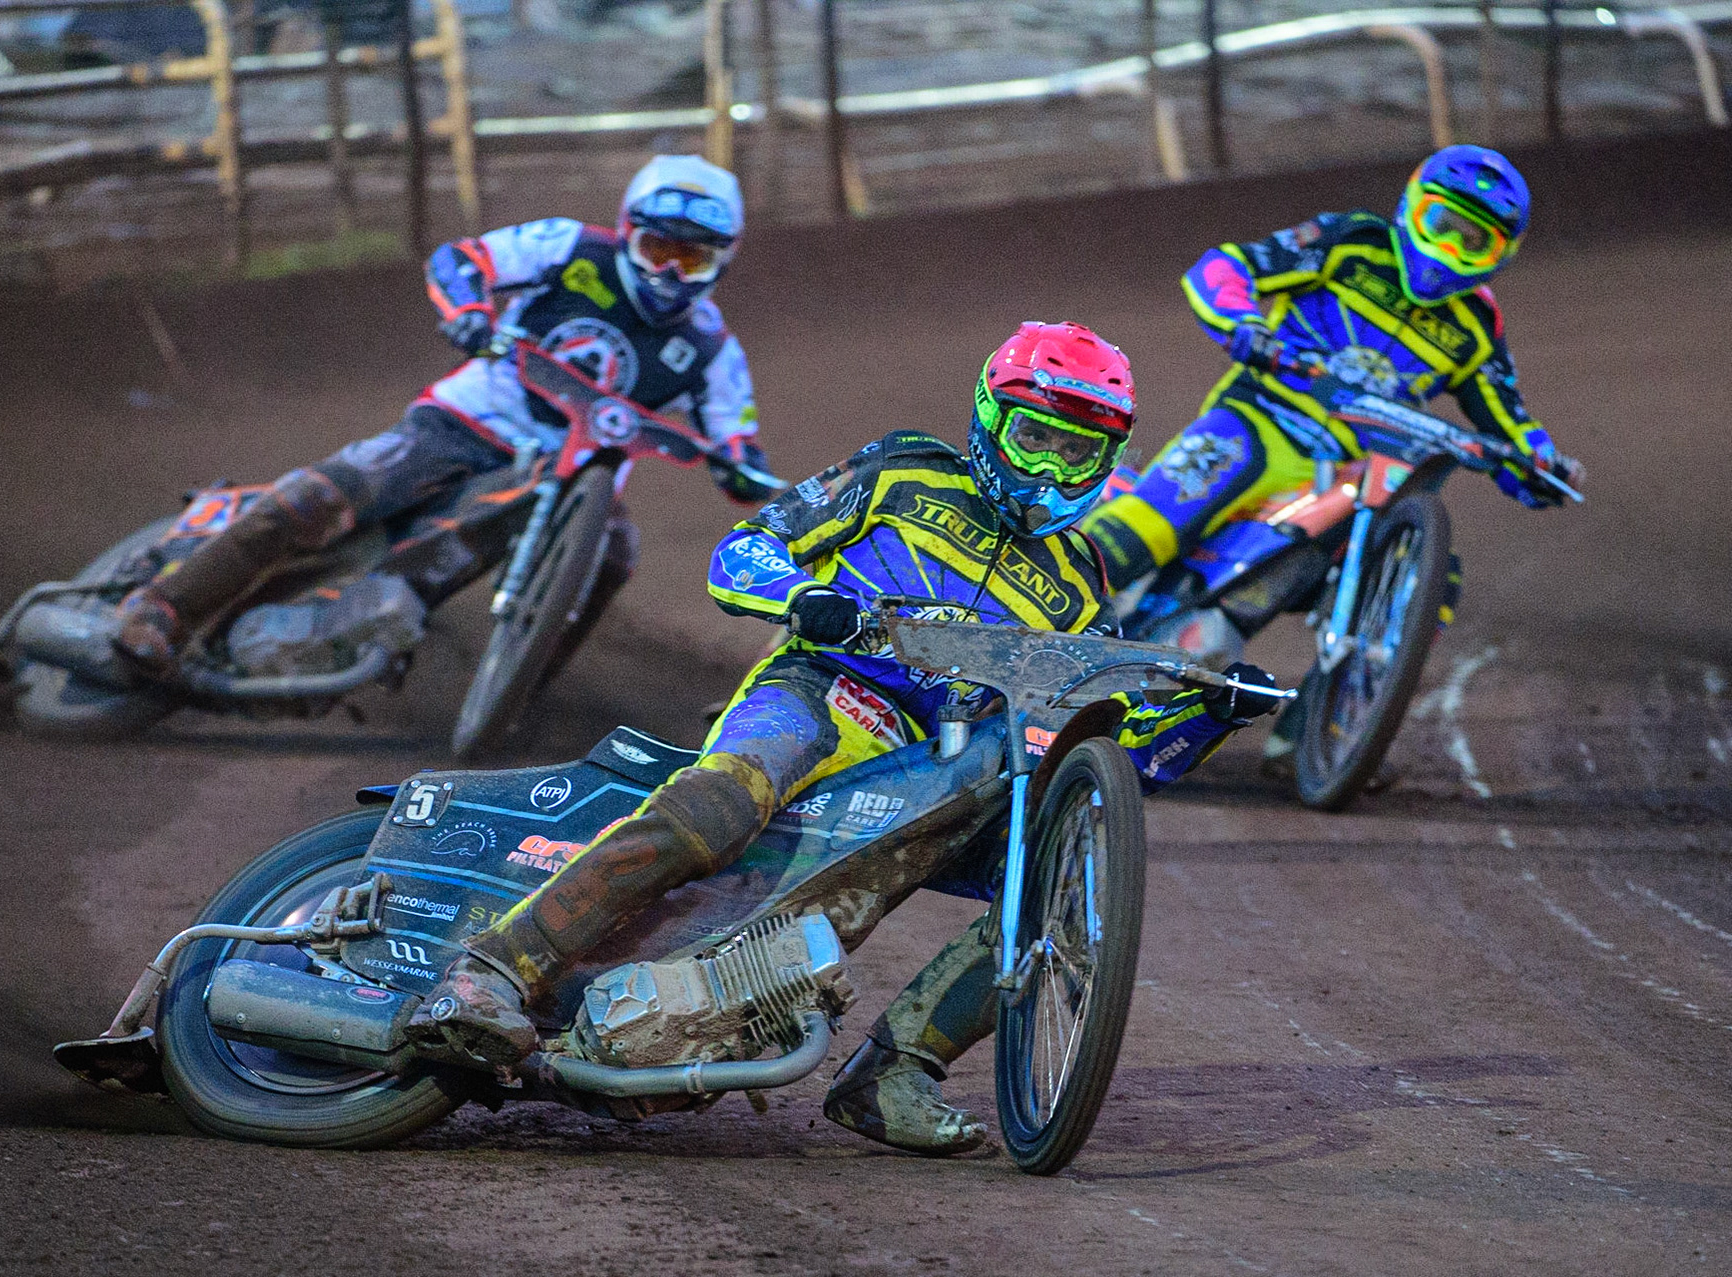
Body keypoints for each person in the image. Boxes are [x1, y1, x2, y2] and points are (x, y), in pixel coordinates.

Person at [406, 323, 1284, 1158]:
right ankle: (491, 968)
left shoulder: (1083, 588)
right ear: (989, 419)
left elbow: (1107, 768)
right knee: (726, 801)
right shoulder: (903, 471)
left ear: (1108, 460)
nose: (1051, 466)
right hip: (820, 692)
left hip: (933, 766)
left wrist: (1211, 714)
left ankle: (891, 1072)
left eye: (1077, 450)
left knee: (1047, 888)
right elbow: (745, 549)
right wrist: (801, 599)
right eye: (1034, 437)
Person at [114, 155, 776, 675]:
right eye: (660, 250)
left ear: (723, 260)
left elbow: (737, 441)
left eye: (691, 258)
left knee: (613, 553)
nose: (670, 272)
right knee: (321, 496)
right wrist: (468, 310)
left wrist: (748, 472)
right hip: (468, 421)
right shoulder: (570, 246)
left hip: (569, 477)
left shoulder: (715, 349)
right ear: (629, 234)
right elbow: (463, 259)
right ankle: (164, 606)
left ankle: (523, 697)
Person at [1082, 144, 1582, 602]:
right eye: (1442, 223)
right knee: (1146, 525)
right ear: (1412, 207)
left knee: (1432, 579)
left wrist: (1546, 467)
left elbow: (1510, 421)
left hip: (1359, 472)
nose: (1450, 247)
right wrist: (1244, 324)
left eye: (1472, 241)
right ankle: (1033, 611)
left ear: (1499, 257)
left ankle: (1344, 691)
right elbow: (1224, 268)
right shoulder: (1350, 242)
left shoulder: (1476, 326)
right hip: (1260, 418)